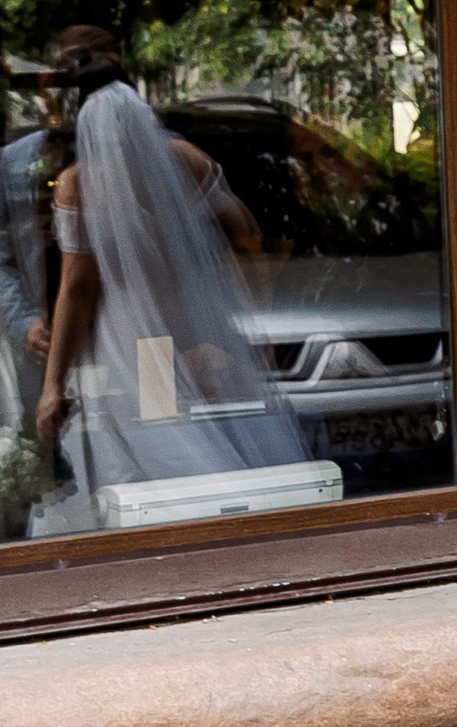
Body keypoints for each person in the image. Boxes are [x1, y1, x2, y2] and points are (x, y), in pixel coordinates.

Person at [36, 77, 306, 509]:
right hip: (177, 330)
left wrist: (52, 384)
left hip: (133, 339)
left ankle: (173, 537)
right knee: (188, 442)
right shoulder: (184, 162)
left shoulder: (79, 183)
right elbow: (249, 236)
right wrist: (251, 314)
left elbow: (78, 289)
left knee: (152, 451)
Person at [0, 24, 123, 366]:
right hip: (47, 345)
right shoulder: (12, 159)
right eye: (73, 75)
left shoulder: (150, 152)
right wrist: (25, 324)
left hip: (127, 337)